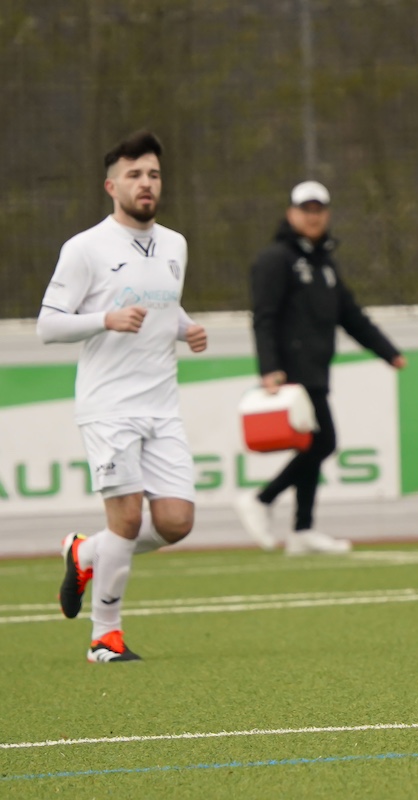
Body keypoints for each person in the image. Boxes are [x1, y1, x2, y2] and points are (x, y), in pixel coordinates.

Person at [39, 130, 207, 663]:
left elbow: (161, 304)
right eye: (134, 175)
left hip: (162, 406)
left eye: (153, 174)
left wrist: (185, 328)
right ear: (112, 186)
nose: (145, 183)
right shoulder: (85, 248)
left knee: (176, 521)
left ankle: (85, 552)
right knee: (128, 520)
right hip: (109, 406)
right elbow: (48, 325)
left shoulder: (175, 244)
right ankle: (104, 636)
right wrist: (104, 320)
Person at [234, 180, 406, 555]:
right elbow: (263, 317)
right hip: (290, 372)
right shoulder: (275, 259)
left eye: (319, 210)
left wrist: (388, 352)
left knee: (313, 444)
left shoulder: (325, 263)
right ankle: (262, 499)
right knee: (323, 441)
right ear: (291, 213)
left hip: (316, 368)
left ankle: (302, 530)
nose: (313, 217)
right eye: (306, 209)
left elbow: (351, 316)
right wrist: (269, 368)